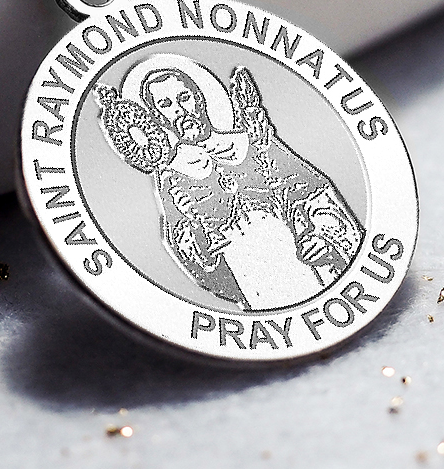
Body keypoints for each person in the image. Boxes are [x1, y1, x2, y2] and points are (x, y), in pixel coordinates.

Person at [96, 54, 363, 311]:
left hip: (308, 264)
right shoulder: (173, 177)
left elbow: (314, 194)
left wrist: (322, 236)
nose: (179, 110)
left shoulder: (253, 143)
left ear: (200, 98)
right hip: (255, 283)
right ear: (157, 117)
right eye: (165, 105)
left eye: (184, 97)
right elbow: (186, 249)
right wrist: (199, 235)